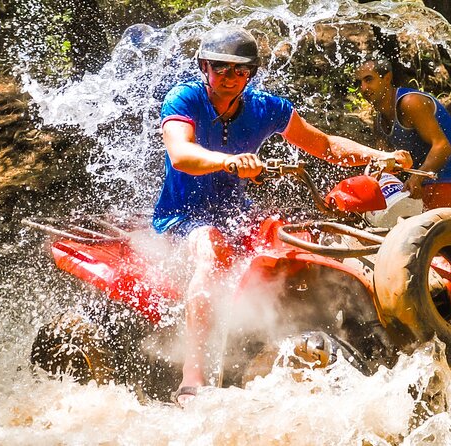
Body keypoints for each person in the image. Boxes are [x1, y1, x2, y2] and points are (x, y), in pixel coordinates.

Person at [153, 26, 412, 406]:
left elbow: (323, 145)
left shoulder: (265, 108)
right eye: (221, 69)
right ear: (205, 67)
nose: (230, 78)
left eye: (240, 71)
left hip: (235, 215)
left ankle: (335, 337)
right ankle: (191, 379)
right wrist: (230, 163)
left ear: (251, 73)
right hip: (183, 217)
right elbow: (181, 154)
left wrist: (377, 157)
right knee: (210, 251)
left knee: (292, 238)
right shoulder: (185, 98)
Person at [355, 57, 451, 210]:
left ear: (387, 78)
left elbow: (443, 147)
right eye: (359, 83)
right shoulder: (379, 122)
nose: (363, 88)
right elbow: (385, 166)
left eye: (368, 79)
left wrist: (416, 178)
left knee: (430, 232)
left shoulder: (411, 102)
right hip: (421, 182)